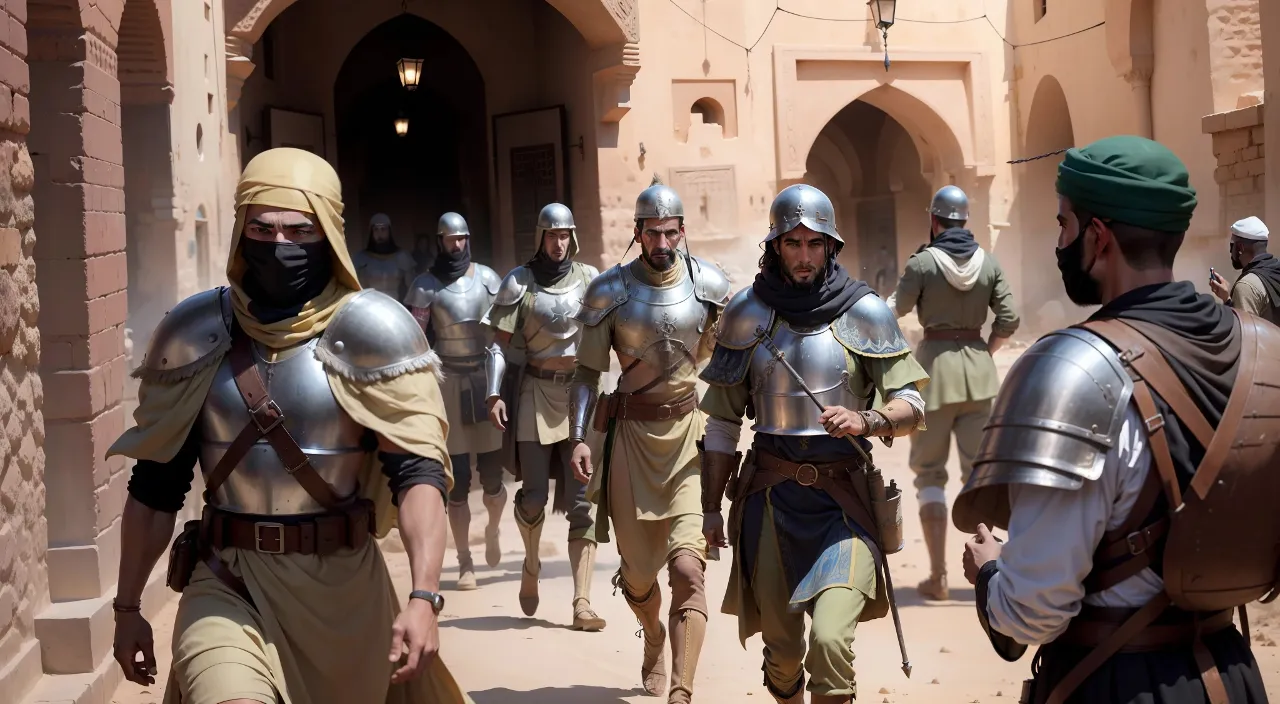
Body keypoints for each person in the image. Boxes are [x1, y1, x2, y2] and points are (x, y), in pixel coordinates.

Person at [106, 148, 471, 704]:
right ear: (240, 232)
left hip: (343, 593)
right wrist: (128, 607)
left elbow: (419, 473)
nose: (279, 244)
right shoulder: (194, 332)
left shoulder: (376, 330)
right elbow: (155, 487)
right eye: (262, 227)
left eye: (299, 229)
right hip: (229, 581)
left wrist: (423, 597)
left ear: (327, 233)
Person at [954, 136, 1272, 704]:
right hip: (1236, 675)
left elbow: (1031, 614)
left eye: (1063, 225)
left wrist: (988, 572)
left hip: (1116, 682)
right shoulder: (1266, 352)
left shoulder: (1075, 369)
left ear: (1097, 237)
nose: (1058, 241)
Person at [699, 184, 929, 704]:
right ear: (775, 246)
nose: (804, 256)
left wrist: (867, 419)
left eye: (815, 244)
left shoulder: (865, 312)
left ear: (831, 247)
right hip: (771, 500)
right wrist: (711, 509)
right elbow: (720, 425)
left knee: (829, 639)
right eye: (793, 244)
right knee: (782, 655)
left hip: (843, 506)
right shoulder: (746, 314)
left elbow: (912, 405)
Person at [568, 180, 732, 703]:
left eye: (669, 232)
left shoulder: (710, 284)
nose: (661, 242)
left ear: (683, 231)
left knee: (688, 568)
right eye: (651, 232)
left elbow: (731, 359)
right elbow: (587, 372)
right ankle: (654, 634)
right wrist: (580, 437)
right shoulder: (608, 291)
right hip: (630, 445)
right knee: (639, 578)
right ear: (636, 233)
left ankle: (682, 690)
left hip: (687, 438)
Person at [886, 184, 1019, 601]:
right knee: (980, 477)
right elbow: (1010, 317)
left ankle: (939, 576)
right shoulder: (989, 264)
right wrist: (987, 349)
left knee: (929, 474)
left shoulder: (923, 264)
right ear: (966, 222)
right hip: (979, 376)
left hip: (934, 376)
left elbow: (895, 310)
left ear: (934, 221)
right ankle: (990, 572)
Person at [482, 202, 606, 630]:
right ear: (540, 237)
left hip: (581, 395)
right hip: (535, 392)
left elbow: (612, 330)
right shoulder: (519, 282)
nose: (560, 243)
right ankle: (531, 561)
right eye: (552, 235)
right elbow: (497, 344)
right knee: (533, 496)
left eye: (566, 234)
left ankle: (582, 601)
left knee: (581, 503)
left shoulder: (591, 279)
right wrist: (493, 393)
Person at [405, 213, 506, 591]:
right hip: (447, 383)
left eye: (462, 238)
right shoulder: (426, 287)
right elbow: (416, 340)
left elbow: (500, 335)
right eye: (451, 240)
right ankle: (465, 561)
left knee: (493, 478)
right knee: (458, 480)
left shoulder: (488, 280)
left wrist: (497, 389)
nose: (457, 245)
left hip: (485, 380)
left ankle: (493, 529)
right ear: (440, 242)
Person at [1209, 215, 1280, 325]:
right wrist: (1227, 298)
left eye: (1232, 245)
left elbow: (1244, 336)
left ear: (1240, 248)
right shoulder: (1275, 271)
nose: (1230, 251)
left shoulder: (1246, 285)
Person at [352, 212, 418, 300]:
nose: (380, 233)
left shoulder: (402, 256)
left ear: (389, 231)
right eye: (376, 229)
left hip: (395, 306)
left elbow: (412, 288)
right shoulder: (360, 258)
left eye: (383, 229)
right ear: (371, 232)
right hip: (368, 307)